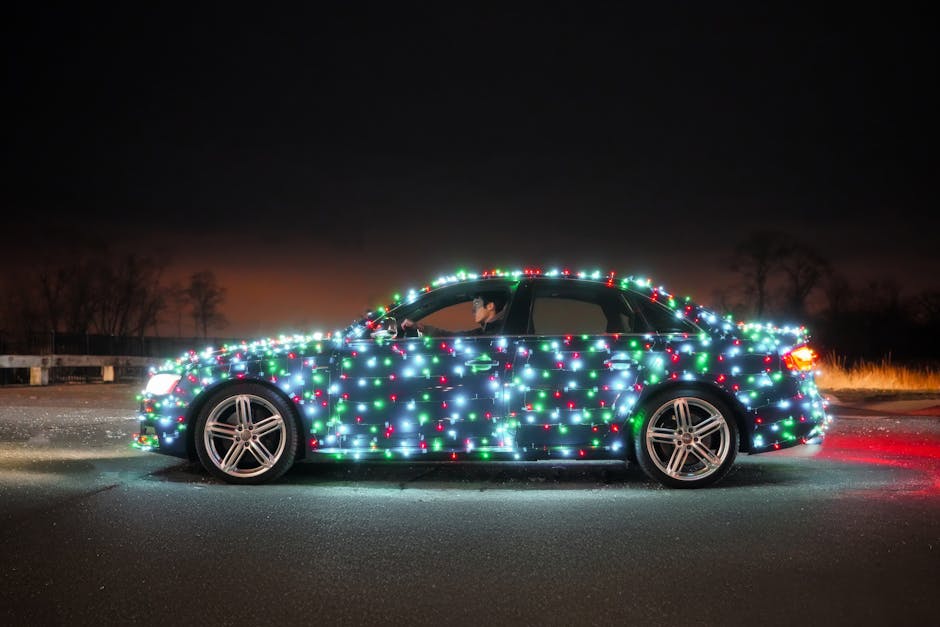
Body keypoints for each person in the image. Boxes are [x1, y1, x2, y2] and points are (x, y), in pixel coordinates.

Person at [401, 292, 508, 337]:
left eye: (477, 304)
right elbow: (451, 337)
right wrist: (419, 327)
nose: (473, 310)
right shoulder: (487, 332)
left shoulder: (498, 333)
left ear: (490, 306)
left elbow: (450, 337)